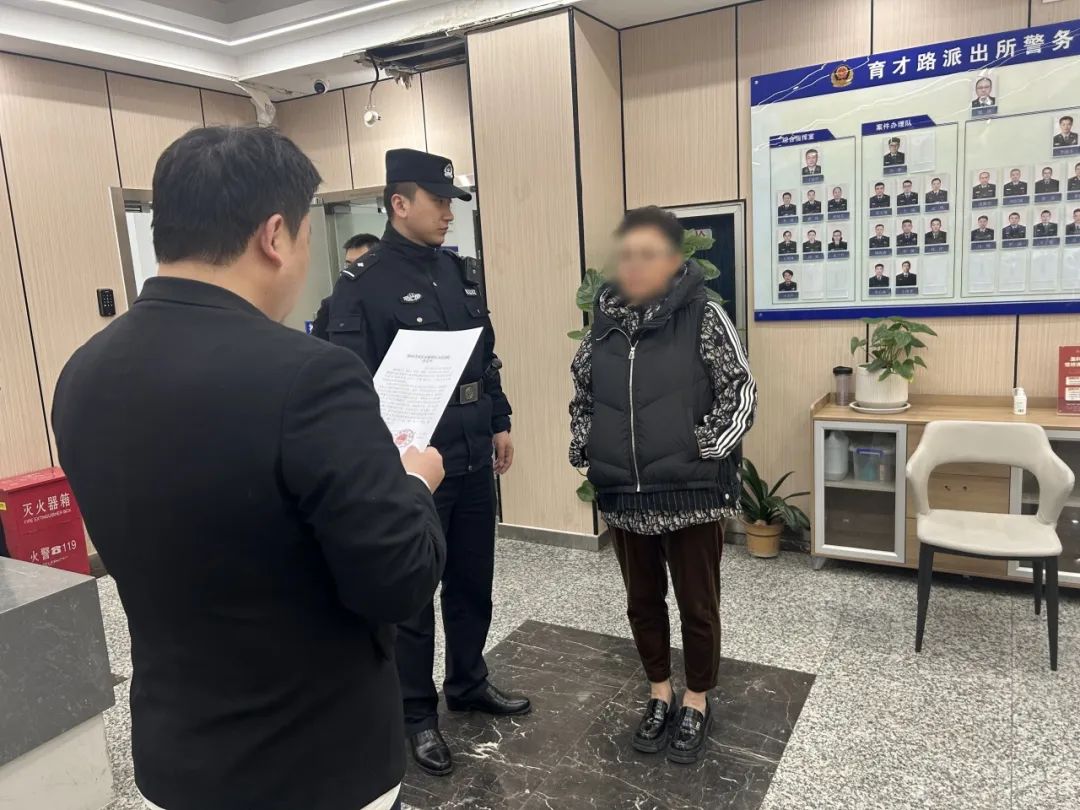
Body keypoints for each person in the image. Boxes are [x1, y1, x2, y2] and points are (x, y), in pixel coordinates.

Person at [50, 127, 447, 810]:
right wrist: (413, 482)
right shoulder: (311, 376)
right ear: (274, 236)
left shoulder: (82, 373)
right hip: (316, 762)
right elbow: (399, 583)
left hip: (177, 759)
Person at [326, 148, 527, 778]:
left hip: (469, 448)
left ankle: (468, 681)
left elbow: (485, 356)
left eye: (450, 202)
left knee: (471, 578)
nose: (448, 213)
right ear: (399, 203)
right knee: (413, 591)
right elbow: (350, 384)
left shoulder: (459, 272)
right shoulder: (361, 285)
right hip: (411, 460)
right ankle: (415, 713)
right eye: (438, 201)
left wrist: (499, 420)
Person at [569, 206, 756, 766]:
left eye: (649, 253)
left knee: (698, 604)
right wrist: (586, 448)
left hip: (689, 494)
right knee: (642, 602)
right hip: (624, 495)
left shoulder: (704, 315)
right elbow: (583, 397)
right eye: (627, 253)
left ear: (674, 260)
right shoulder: (602, 325)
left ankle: (696, 697)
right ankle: (659, 691)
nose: (635, 264)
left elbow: (739, 390)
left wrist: (702, 448)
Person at [311, 233, 380, 340]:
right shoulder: (331, 305)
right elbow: (317, 344)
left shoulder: (394, 301)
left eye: (359, 264)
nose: (352, 270)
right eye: (349, 265)